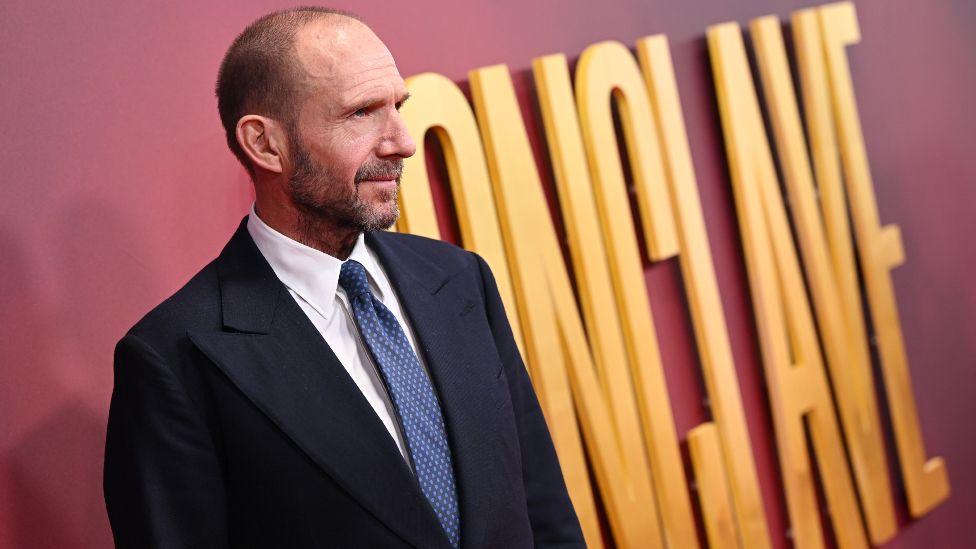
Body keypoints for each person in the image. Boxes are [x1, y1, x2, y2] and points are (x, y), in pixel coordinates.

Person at [102, 7, 584, 548]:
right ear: (265, 144)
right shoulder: (174, 357)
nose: (402, 142)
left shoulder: (459, 278)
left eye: (398, 107)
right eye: (360, 114)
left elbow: (542, 507)